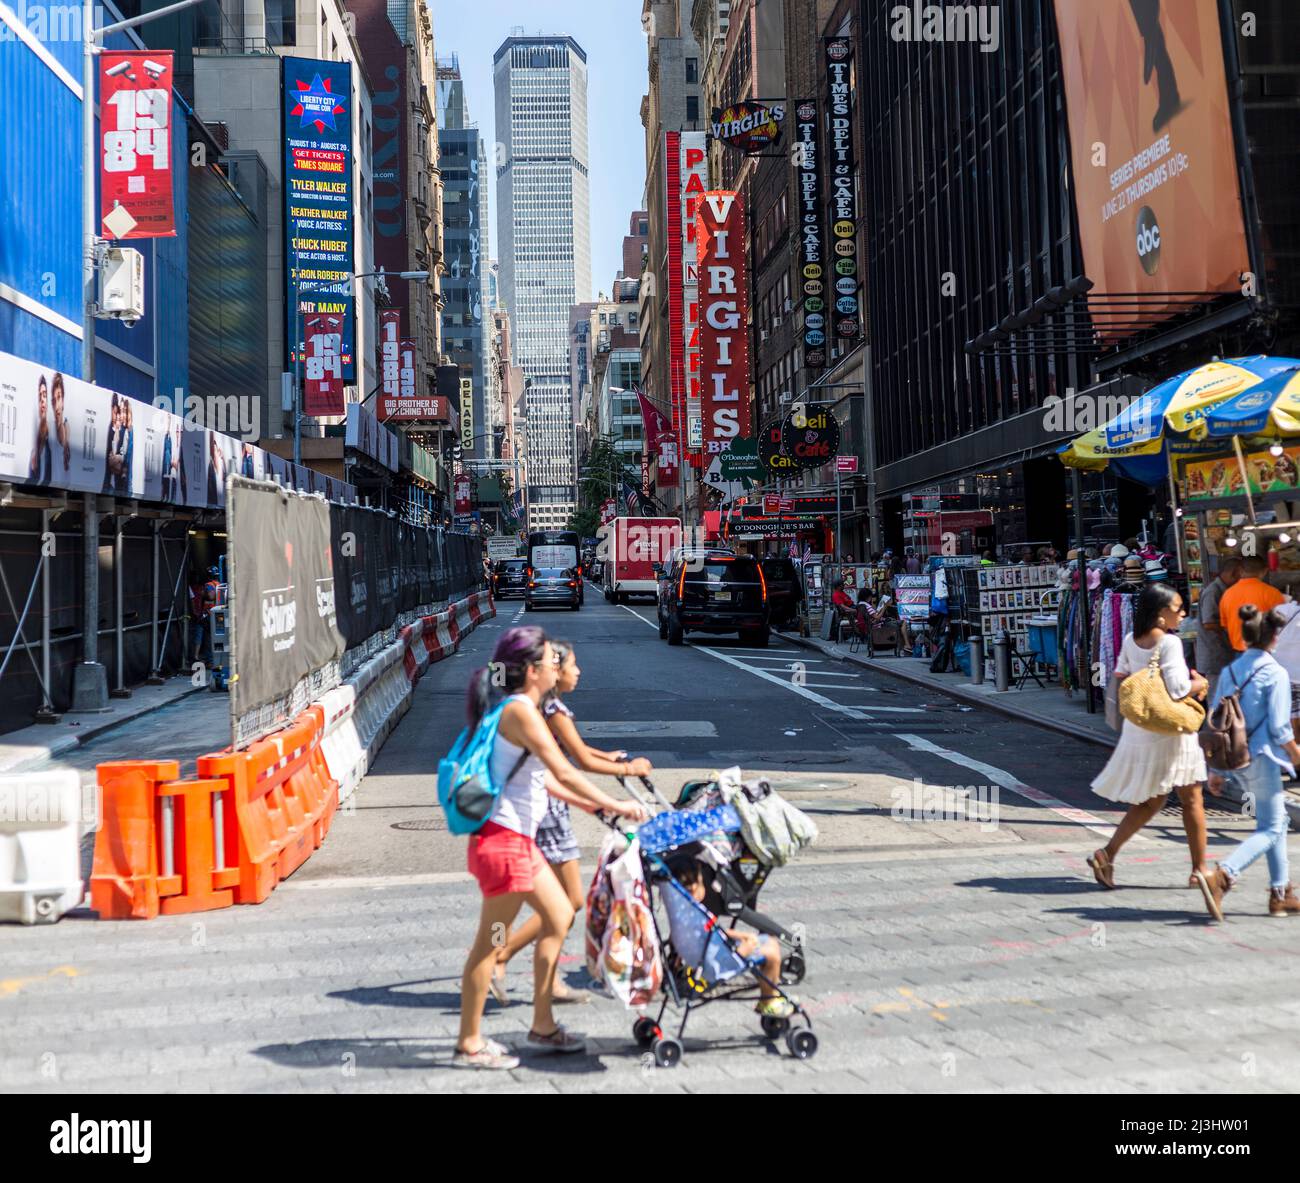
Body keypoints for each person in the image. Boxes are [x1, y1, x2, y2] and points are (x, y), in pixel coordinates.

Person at [455, 627, 647, 1069]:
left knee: (560, 913)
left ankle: (542, 1025)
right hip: (502, 843)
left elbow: (549, 783)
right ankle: (469, 1041)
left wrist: (597, 809)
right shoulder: (521, 712)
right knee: (488, 945)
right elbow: (566, 768)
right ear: (531, 670)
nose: (557, 666)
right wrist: (615, 802)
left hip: (516, 841)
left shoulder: (522, 709)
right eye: (549, 661)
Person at [490, 640, 653, 1004]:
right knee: (567, 901)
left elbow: (571, 749)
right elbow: (575, 762)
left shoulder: (544, 707)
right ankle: (502, 958)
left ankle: (532, 976)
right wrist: (627, 769)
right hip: (546, 807)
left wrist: (603, 754)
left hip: (544, 806)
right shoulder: (551, 708)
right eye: (572, 665)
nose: (578, 672)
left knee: (564, 902)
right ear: (553, 670)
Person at [1087, 584, 1210, 890]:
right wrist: (1201, 683)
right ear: (1159, 613)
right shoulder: (1169, 643)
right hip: (1171, 729)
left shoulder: (1131, 639)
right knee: (1192, 798)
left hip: (1141, 728)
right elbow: (1179, 689)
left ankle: (1108, 853)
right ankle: (1200, 870)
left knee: (1151, 801)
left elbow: (1121, 673)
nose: (1182, 613)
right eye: (1177, 608)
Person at [1197, 605, 1300, 921]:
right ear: (1275, 638)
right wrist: (1296, 755)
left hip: (1235, 760)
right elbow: (1282, 728)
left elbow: (1216, 721)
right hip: (1264, 757)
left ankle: (1280, 893)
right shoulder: (1276, 673)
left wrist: (1214, 770)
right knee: (1272, 826)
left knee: (1275, 822)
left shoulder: (1229, 672)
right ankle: (1224, 875)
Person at [674, 860, 794, 1018]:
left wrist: (743, 936)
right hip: (715, 962)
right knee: (772, 951)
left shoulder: (686, 911)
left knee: (765, 943)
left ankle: (768, 996)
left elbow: (714, 931)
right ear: (695, 888)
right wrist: (745, 947)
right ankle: (769, 1002)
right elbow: (713, 933)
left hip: (705, 953)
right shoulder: (698, 911)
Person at [1219, 555, 1287, 652]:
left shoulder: (1227, 594)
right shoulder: (1272, 593)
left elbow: (1224, 626)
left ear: (1240, 570)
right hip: (1264, 652)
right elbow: (1282, 624)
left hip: (1237, 652)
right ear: (1264, 571)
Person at [1196, 558, 1242, 697]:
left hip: (1224, 653)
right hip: (1215, 654)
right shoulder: (1213, 592)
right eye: (1241, 575)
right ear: (1234, 573)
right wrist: (1232, 626)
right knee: (1217, 700)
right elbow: (1209, 623)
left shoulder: (1225, 591)